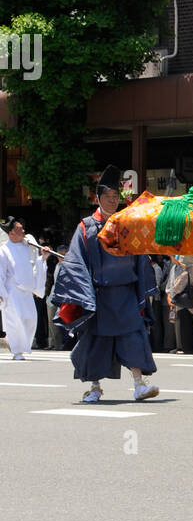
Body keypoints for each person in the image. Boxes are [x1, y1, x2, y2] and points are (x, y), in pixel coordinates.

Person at [52, 166, 159, 403]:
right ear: (98, 198)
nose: (112, 201)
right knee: (95, 343)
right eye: (107, 197)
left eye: (115, 197)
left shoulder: (126, 222)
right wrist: (82, 289)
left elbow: (140, 254)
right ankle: (95, 387)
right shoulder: (85, 226)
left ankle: (139, 384)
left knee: (133, 337)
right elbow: (76, 260)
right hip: (99, 295)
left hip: (126, 293)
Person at [0, 217, 50, 359]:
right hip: (12, 292)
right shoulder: (3, 250)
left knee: (30, 319)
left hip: (26, 292)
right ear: (11, 233)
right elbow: (0, 274)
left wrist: (43, 257)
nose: (23, 231)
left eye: (22, 228)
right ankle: (17, 350)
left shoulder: (27, 246)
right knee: (16, 321)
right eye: (19, 229)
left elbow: (35, 264)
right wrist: (1, 292)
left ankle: (15, 343)